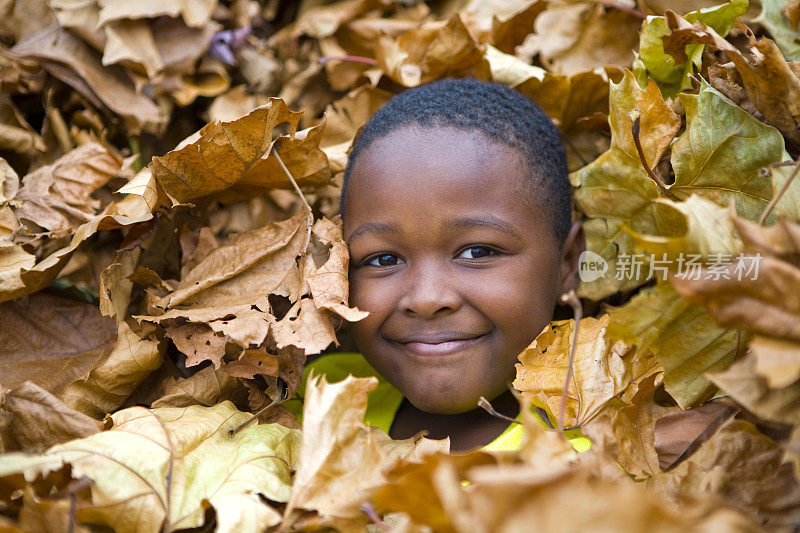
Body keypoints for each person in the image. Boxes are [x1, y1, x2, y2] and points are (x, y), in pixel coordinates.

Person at [286, 78, 587, 453]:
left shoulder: (594, 466)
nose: (427, 298)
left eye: (478, 252)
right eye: (384, 259)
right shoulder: (315, 397)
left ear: (568, 264)